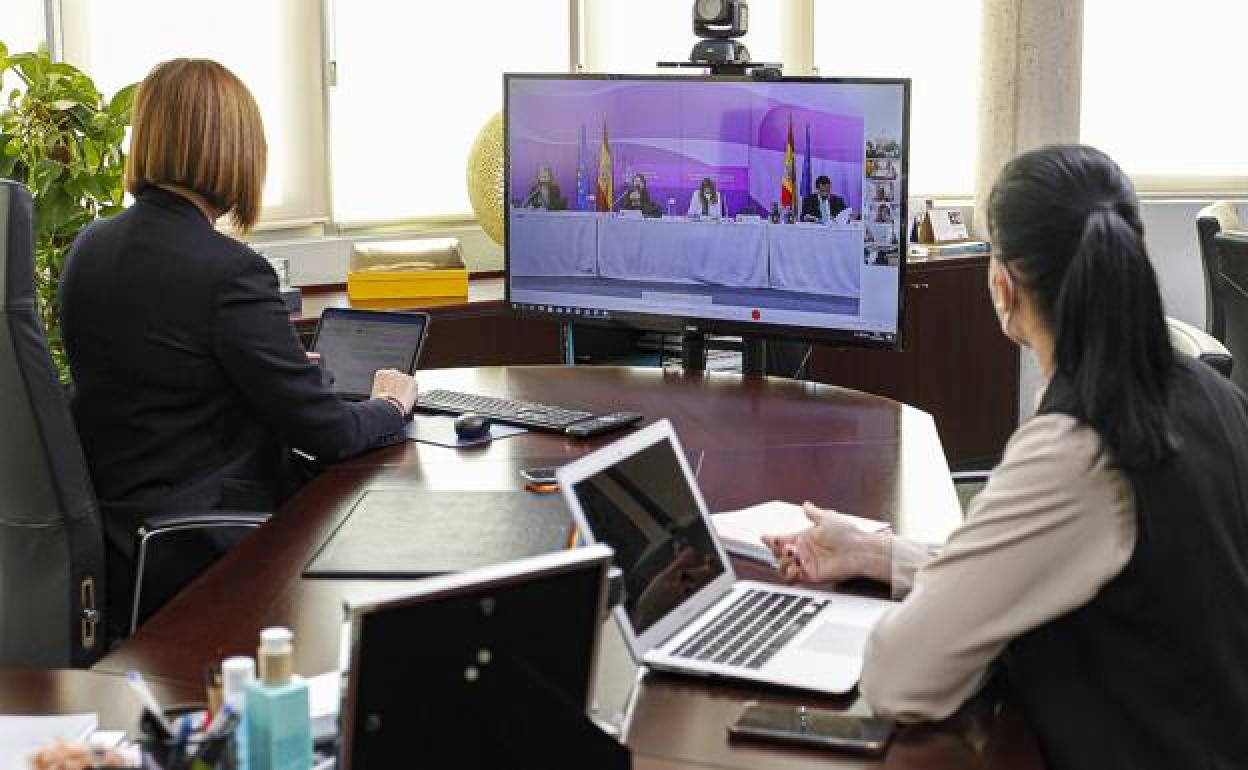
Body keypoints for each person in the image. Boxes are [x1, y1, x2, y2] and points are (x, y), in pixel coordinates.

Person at [763, 145, 1248, 769]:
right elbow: (1052, 555)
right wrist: (872, 551)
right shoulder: (1208, 391)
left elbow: (900, 676)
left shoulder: (1077, 452)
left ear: (1001, 285)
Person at [59, 59, 418, 632]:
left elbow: (153, 381)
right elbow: (328, 433)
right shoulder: (230, 273)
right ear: (233, 150)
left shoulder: (89, 249)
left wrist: (257, 371)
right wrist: (389, 404)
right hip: (205, 540)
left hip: (120, 540)